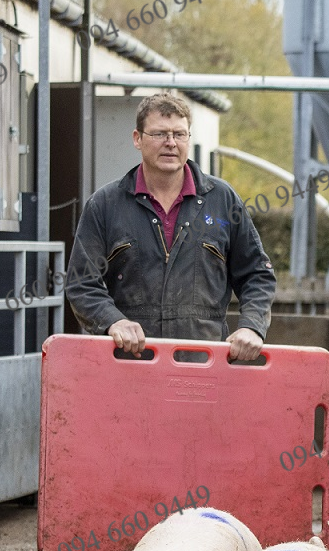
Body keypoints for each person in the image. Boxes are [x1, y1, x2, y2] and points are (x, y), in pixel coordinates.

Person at [66, 93, 275, 360]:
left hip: (203, 363)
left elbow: (257, 274)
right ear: (137, 139)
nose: (170, 143)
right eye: (159, 134)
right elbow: (81, 283)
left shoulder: (222, 200)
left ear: (189, 138)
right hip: (132, 363)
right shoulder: (105, 205)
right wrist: (113, 321)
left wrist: (252, 326)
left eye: (179, 134)